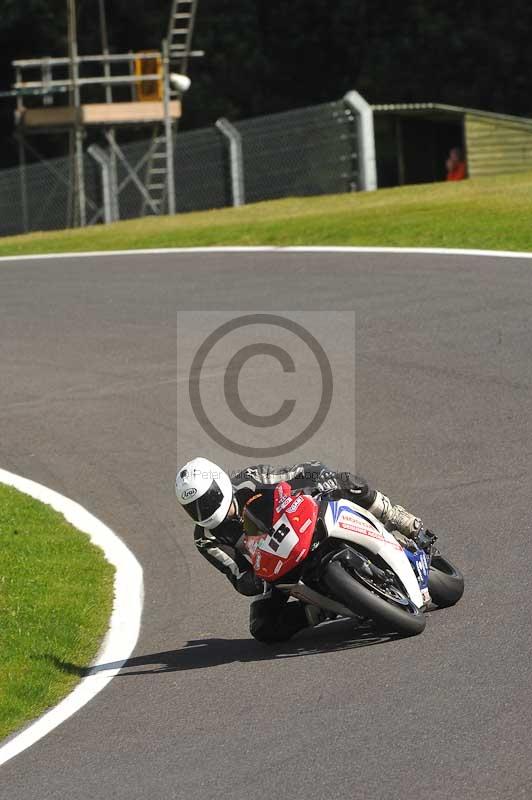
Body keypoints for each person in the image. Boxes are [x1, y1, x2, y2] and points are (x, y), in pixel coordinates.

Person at [175, 457, 433, 643]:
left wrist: (321, 477)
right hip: (276, 567)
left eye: (206, 501)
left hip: (304, 525)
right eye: (193, 508)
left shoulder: (250, 480)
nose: (203, 511)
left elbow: (298, 472)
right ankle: (322, 609)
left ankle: (400, 519)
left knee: (347, 482)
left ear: (219, 484)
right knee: (261, 626)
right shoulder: (205, 538)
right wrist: (256, 577)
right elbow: (238, 576)